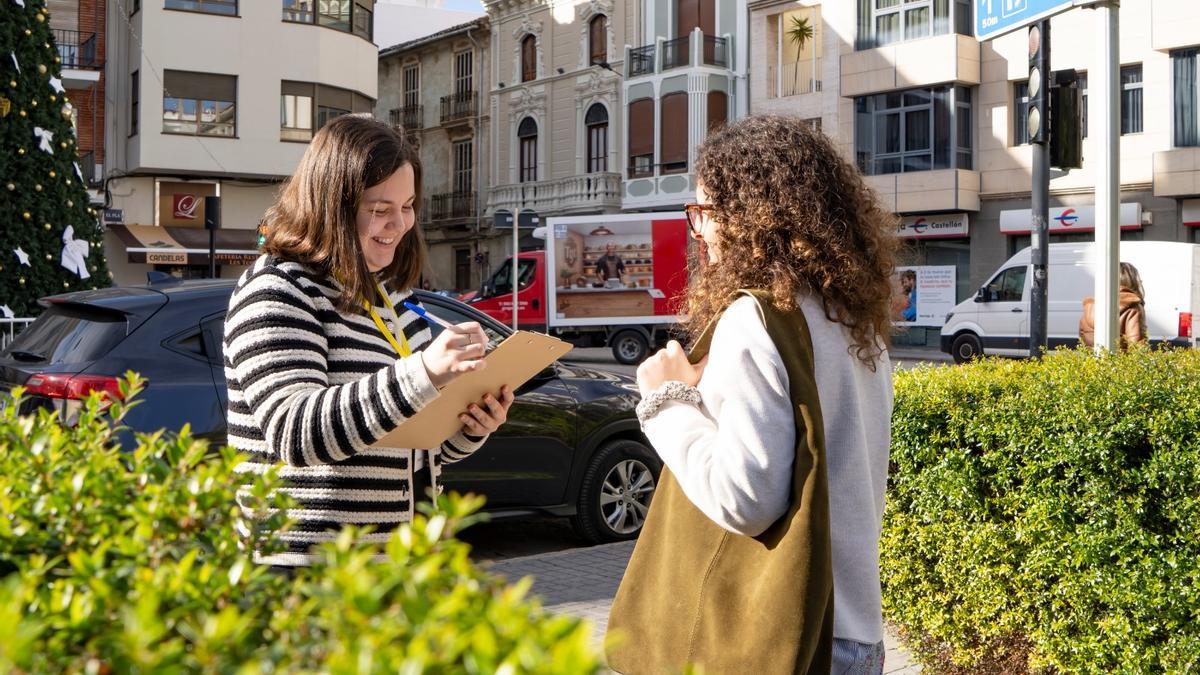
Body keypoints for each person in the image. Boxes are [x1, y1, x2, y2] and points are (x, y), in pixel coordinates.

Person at [607, 116, 897, 674]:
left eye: (704, 213)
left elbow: (745, 498)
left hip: (783, 637)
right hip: (856, 633)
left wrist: (666, 400)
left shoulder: (754, 320)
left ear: (747, 216)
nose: (700, 232)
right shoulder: (854, 320)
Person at [223, 115, 514, 567]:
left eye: (408, 206)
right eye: (380, 209)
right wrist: (423, 372)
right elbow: (296, 434)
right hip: (306, 577)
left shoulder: (392, 297)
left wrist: (471, 426)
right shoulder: (278, 289)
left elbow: (412, 445)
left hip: (394, 574)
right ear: (331, 205)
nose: (398, 224)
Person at [1079, 261, 1148, 349]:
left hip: (1094, 361)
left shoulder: (1091, 307)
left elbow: (1083, 340)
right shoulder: (1133, 308)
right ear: (1133, 281)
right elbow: (1138, 348)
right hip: (1121, 362)